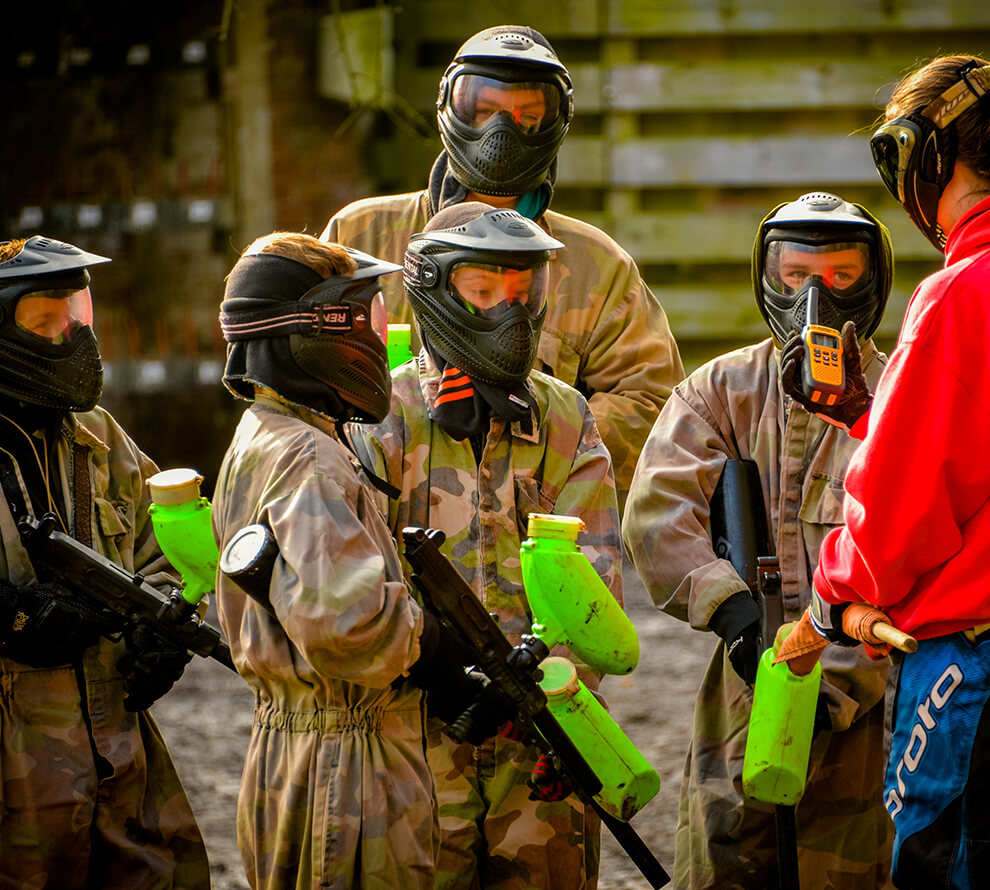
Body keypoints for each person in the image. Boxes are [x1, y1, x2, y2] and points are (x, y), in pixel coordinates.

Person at [622, 192, 898, 889]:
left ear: (874, 283)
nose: (816, 298)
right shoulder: (722, 389)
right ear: (766, 278)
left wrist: (836, 676)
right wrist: (729, 610)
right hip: (747, 678)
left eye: (839, 278)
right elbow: (656, 517)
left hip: (875, 699)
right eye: (795, 276)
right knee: (724, 858)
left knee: (856, 869)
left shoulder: (900, 393)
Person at [211, 231, 501, 890]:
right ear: (322, 332)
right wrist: (441, 660)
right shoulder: (308, 458)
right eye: (368, 315)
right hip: (349, 769)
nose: (382, 333)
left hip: (299, 751)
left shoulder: (265, 435)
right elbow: (349, 626)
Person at [352, 202, 622, 890]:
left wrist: (561, 702)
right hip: (411, 744)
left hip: (538, 744)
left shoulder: (563, 415)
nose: (510, 313)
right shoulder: (376, 415)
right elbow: (357, 589)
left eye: (524, 292)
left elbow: (595, 579)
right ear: (436, 289)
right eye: (483, 293)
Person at [321, 24, 684, 511]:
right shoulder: (360, 237)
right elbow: (303, 375)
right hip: (378, 514)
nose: (502, 133)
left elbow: (651, 403)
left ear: (554, 124)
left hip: (529, 531)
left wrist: (533, 441)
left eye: (526, 116)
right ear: (450, 110)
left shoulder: (596, 264)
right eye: (487, 111)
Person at [800, 55, 990, 890]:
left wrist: (830, 600)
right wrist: (875, 416)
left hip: (971, 669)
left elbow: (901, 516)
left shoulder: (960, 294)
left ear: (925, 159)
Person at [0, 236, 210, 888]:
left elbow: (162, 548)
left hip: (120, 754)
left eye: (77, 317)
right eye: (46, 322)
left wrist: (165, 622)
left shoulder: (100, 434)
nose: (71, 337)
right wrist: (9, 618)